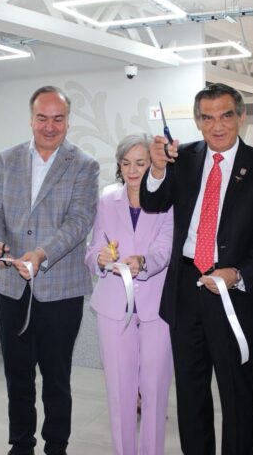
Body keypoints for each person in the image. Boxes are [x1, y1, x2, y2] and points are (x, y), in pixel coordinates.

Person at [140, 82, 253, 454]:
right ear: (197, 121)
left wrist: (238, 273)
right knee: (190, 395)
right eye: (207, 118)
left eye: (225, 116)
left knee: (238, 396)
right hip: (186, 287)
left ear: (241, 116)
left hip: (234, 291)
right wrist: (156, 168)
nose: (217, 126)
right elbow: (153, 202)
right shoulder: (183, 158)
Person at [0, 85, 99, 455]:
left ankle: (56, 446)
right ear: (31, 119)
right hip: (11, 286)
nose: (50, 126)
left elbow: (79, 221)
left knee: (56, 379)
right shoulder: (8, 159)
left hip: (60, 290)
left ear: (68, 121)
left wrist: (42, 253)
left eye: (58, 119)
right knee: (17, 376)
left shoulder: (84, 165)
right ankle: (21, 444)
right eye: (42, 118)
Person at [86, 134, 174, 455]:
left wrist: (144, 262)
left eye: (140, 163)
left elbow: (165, 248)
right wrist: (98, 258)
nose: (133, 170)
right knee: (119, 392)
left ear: (152, 165)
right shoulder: (107, 199)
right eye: (126, 164)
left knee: (155, 391)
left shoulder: (168, 201)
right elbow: (93, 248)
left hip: (157, 307)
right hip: (113, 306)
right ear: (119, 167)